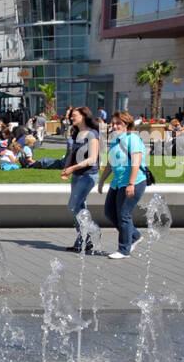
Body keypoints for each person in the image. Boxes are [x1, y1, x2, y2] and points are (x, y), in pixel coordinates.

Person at [98, 111, 146, 259]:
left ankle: (124, 249)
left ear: (127, 124)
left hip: (133, 182)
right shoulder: (115, 140)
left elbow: (136, 164)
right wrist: (102, 180)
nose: (115, 126)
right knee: (109, 212)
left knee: (123, 215)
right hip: (117, 182)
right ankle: (135, 235)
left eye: (118, 123)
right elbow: (111, 163)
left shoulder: (133, 139)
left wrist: (131, 184)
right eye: (113, 123)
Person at [59, 106, 102, 253]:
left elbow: (92, 159)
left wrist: (73, 168)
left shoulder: (92, 134)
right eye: (71, 115)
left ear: (84, 116)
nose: (71, 118)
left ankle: (94, 229)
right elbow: (72, 154)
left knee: (73, 206)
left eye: (74, 115)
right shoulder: (78, 133)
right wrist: (67, 169)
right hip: (77, 175)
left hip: (88, 175)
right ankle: (83, 240)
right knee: (81, 208)